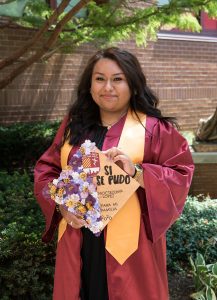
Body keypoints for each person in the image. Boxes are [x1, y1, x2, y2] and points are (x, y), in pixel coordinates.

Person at [34, 47, 194, 300]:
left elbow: (181, 173)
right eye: (100, 78)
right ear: (89, 85)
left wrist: (138, 172)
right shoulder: (74, 128)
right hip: (80, 240)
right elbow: (47, 169)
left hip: (130, 250)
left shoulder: (153, 129)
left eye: (117, 79)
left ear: (133, 84)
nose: (107, 87)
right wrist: (61, 205)